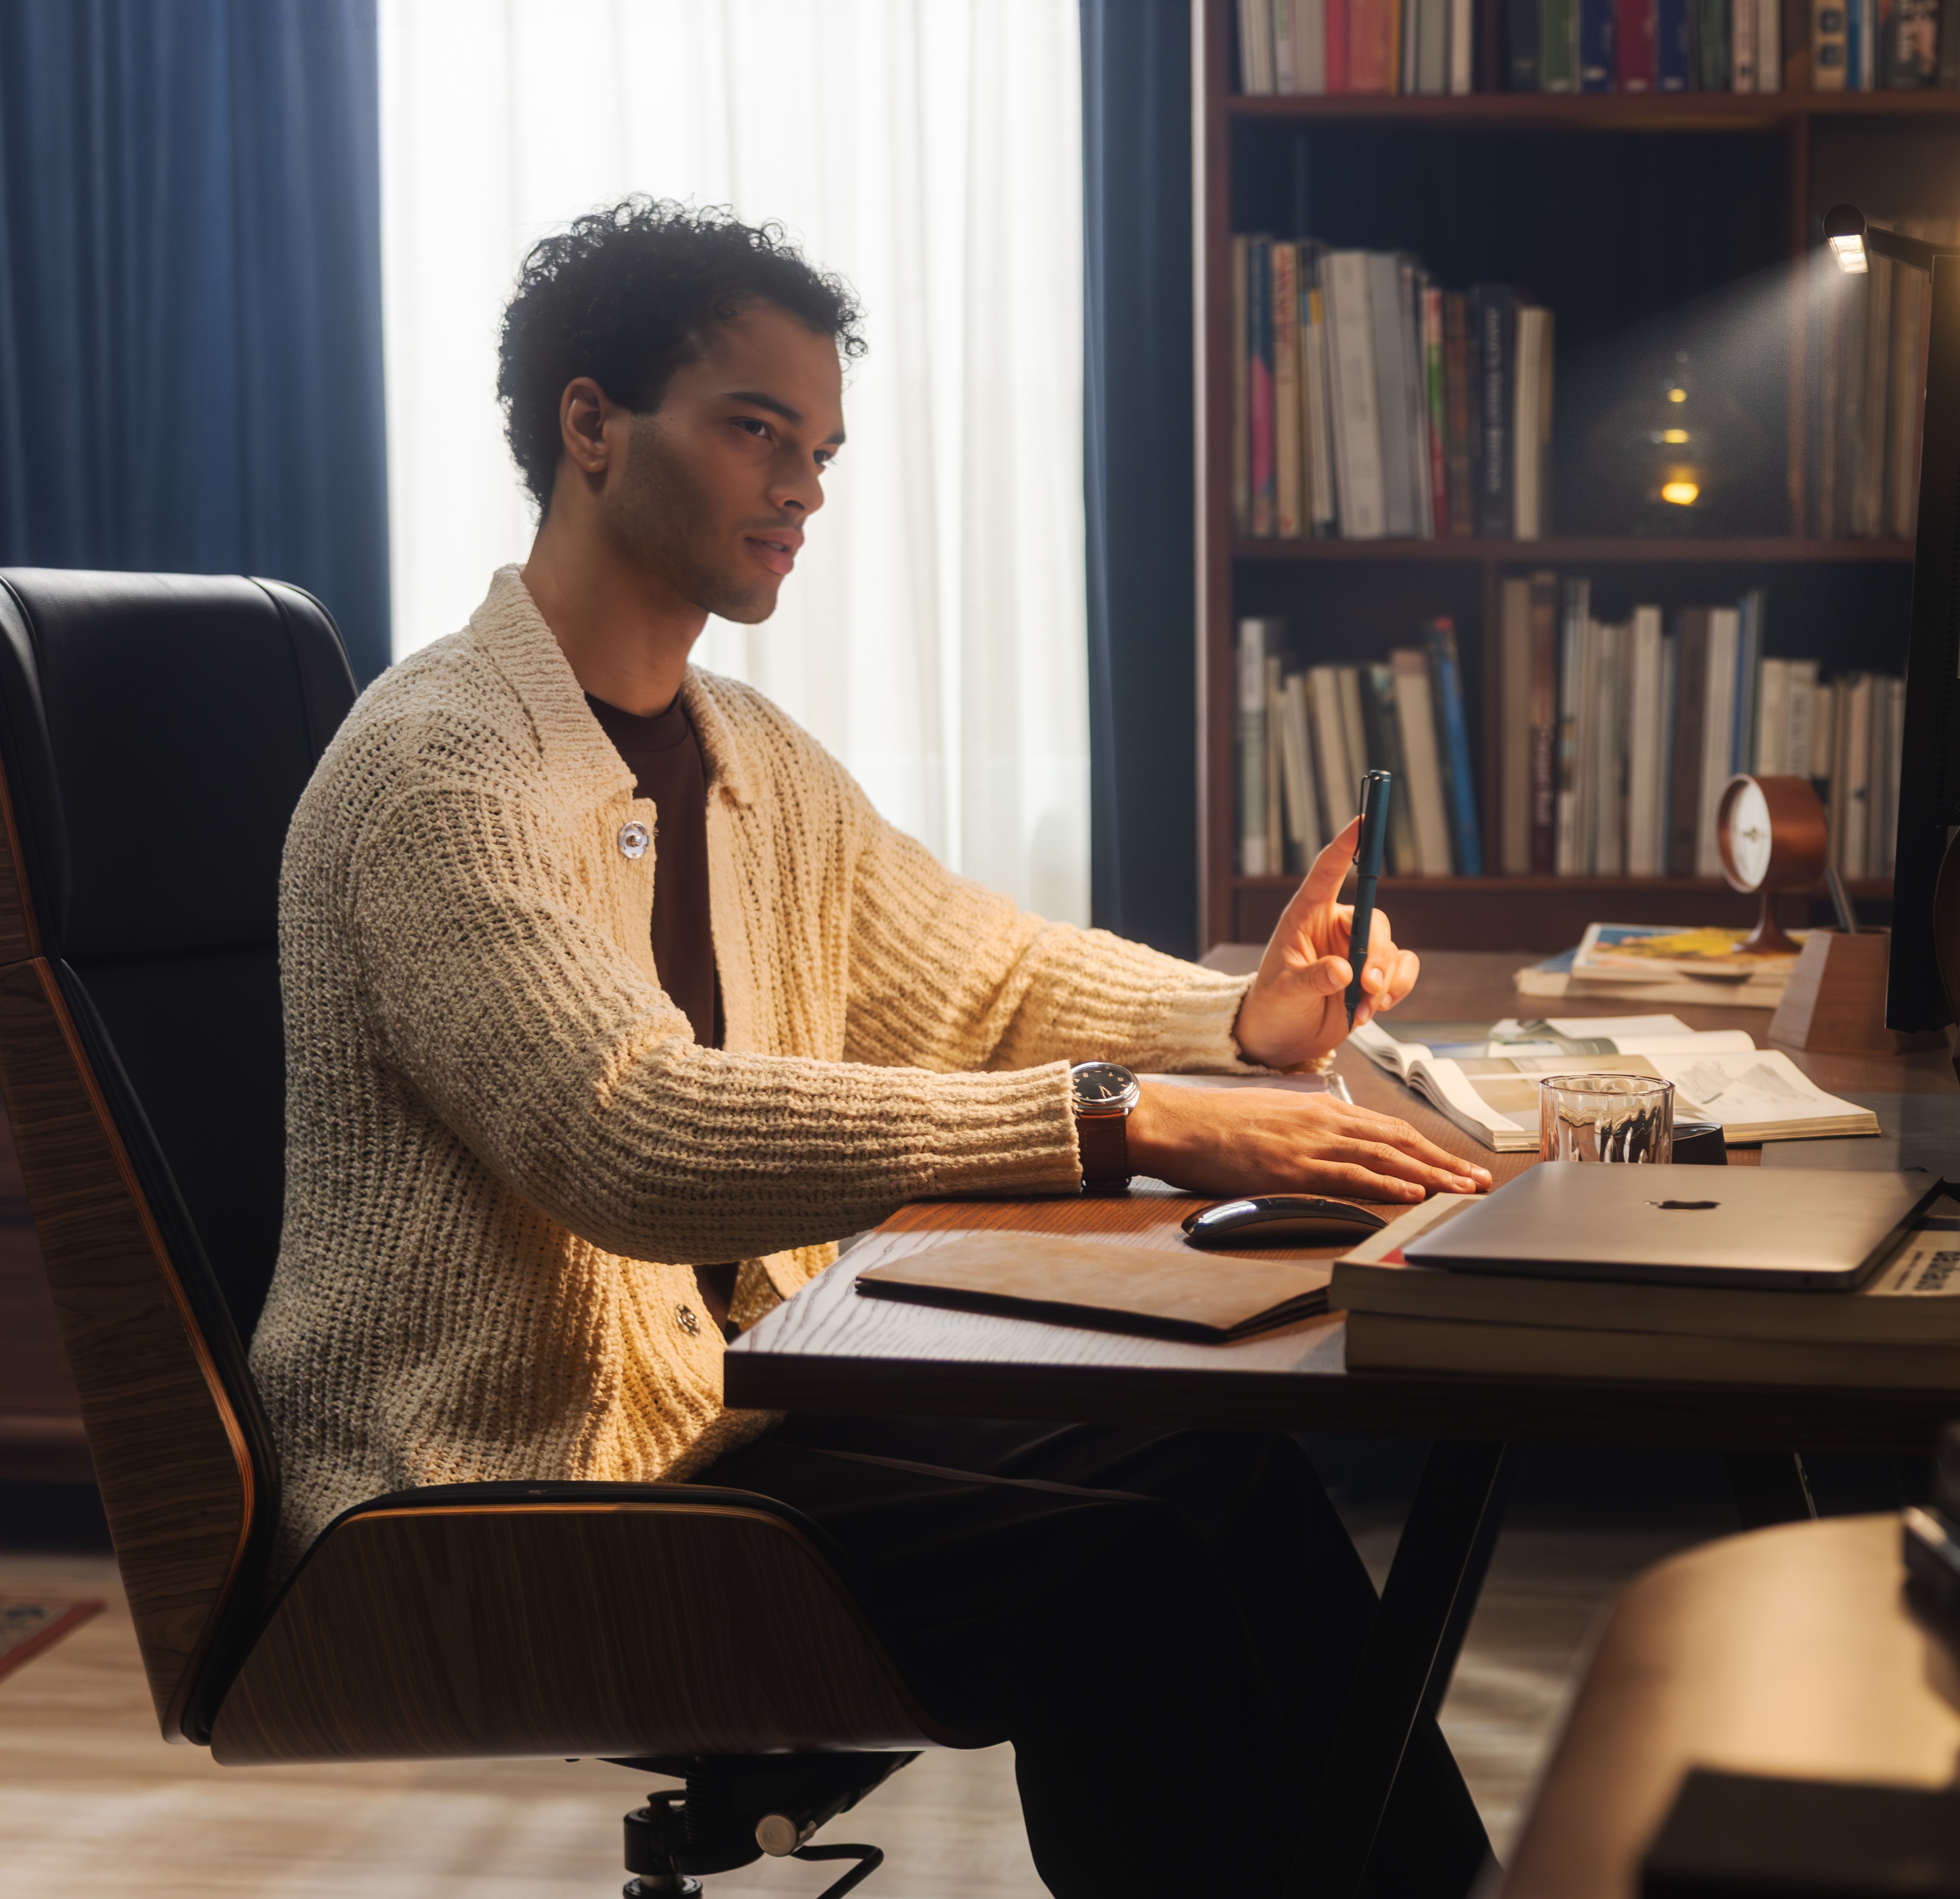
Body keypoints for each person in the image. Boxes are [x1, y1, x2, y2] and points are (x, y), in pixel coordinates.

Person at [250, 199, 1494, 1896]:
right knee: (1120, 1567)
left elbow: (979, 973)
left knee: (1220, 1470)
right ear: (591, 426)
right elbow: (632, 1134)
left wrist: (1236, 1022)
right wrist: (1141, 1126)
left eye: (820, 447)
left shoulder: (741, 748)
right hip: (497, 1493)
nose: (802, 487)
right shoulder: (444, 769)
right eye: (754, 428)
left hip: (728, 1414)